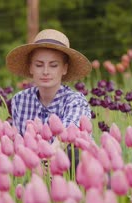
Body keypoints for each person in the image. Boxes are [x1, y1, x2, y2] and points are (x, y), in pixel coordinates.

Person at [6, 29, 92, 168]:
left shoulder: (75, 101)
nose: (45, 71)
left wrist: (46, 160)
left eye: (53, 65)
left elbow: (67, 135)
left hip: (73, 171)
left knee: (72, 151)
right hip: (35, 171)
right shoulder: (20, 101)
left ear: (64, 69)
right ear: (30, 68)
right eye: (39, 65)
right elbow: (19, 143)